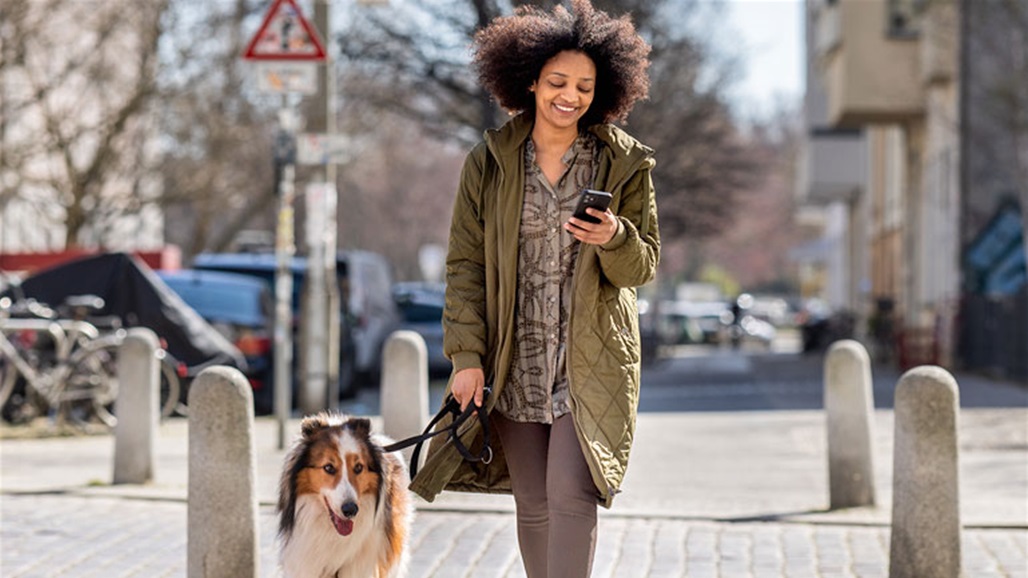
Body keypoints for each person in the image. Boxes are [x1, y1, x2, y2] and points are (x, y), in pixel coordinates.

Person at [409, 1, 659, 576]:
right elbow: (464, 265)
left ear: (604, 92)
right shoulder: (490, 162)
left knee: (572, 495)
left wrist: (615, 235)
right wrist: (466, 357)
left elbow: (641, 266)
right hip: (512, 359)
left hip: (589, 359)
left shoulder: (622, 164)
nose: (570, 96)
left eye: (584, 87)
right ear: (530, 82)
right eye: (558, 82)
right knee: (535, 505)